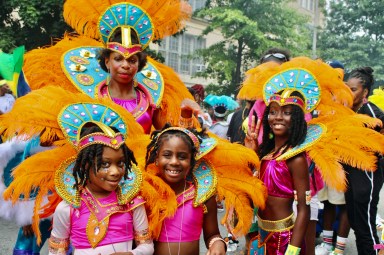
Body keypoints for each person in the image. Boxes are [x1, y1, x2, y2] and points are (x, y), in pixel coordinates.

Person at [241, 57, 384, 254]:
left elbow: (304, 209)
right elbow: (253, 186)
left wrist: (293, 248)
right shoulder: (268, 153)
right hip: (265, 233)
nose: (278, 117)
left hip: (286, 236)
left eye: (287, 112)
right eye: (273, 111)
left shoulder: (296, 158)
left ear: (298, 119)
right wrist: (252, 152)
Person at [20, 0, 193, 134]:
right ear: (107, 61)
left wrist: (186, 114)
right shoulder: (88, 97)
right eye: (118, 59)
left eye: (132, 60)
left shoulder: (150, 100)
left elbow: (173, 137)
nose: (125, 65)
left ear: (139, 65)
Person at [48, 123, 153, 255]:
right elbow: (56, 252)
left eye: (120, 163)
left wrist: (131, 254)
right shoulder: (67, 208)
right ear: (86, 165)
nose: (115, 172)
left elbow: (147, 246)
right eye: (105, 164)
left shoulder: (132, 202)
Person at [145, 125, 226, 255]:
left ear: (191, 161)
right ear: (156, 159)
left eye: (182, 157)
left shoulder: (202, 196)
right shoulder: (146, 195)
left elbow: (213, 234)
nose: (174, 162)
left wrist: (218, 244)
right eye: (167, 155)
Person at [344, 67, 384, 255]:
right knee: (358, 226)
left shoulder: (371, 113)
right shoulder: (347, 112)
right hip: (351, 178)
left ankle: (377, 251)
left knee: (366, 227)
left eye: (353, 90)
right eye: (346, 88)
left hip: (367, 179)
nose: (348, 93)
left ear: (365, 92)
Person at [316, 60, 350, 255]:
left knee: (343, 202)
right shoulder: (319, 95)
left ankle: (340, 248)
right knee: (327, 201)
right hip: (322, 155)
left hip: (343, 157)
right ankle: (327, 243)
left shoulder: (346, 94)